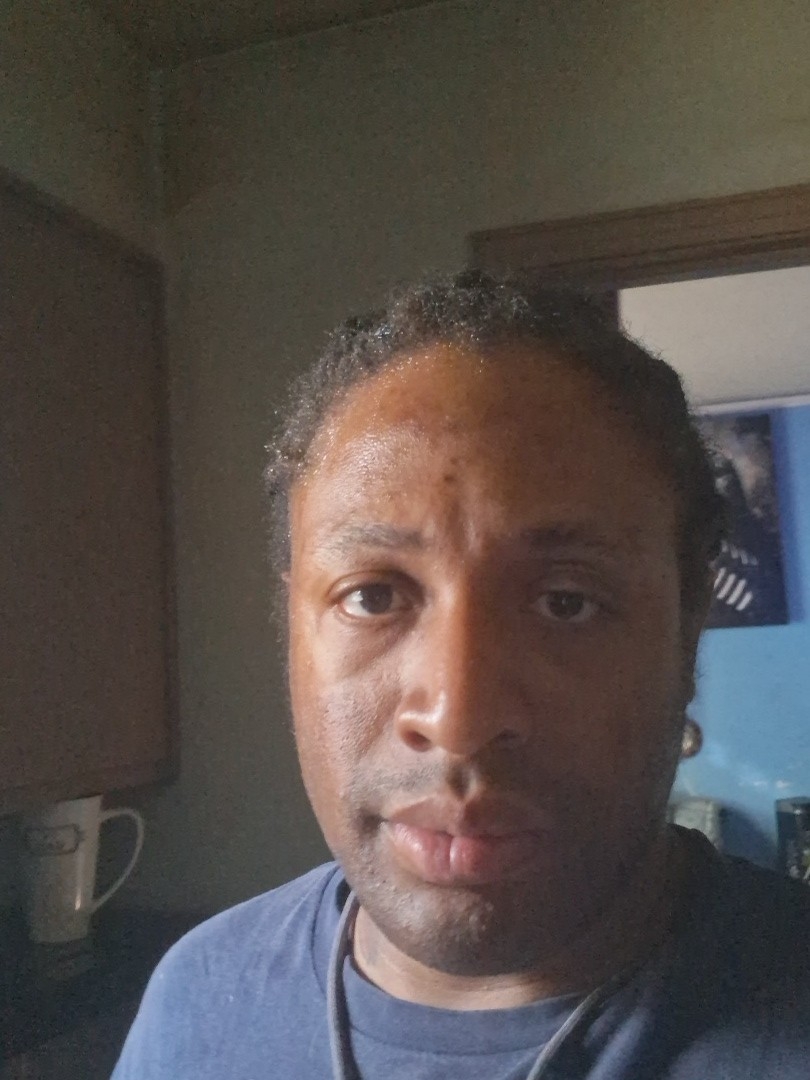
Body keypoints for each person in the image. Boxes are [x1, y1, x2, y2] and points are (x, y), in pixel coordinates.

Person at [112, 271, 810, 1079]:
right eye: (372, 596)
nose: (459, 717)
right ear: (290, 633)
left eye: (567, 602)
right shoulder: (197, 1004)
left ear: (688, 633)